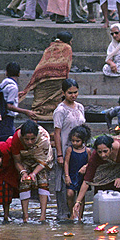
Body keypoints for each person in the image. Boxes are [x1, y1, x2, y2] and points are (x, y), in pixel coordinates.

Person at [71, 134, 120, 219]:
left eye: (105, 151)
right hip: (106, 167)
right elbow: (87, 180)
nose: (103, 155)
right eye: (100, 152)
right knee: (100, 188)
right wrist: (78, 202)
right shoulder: (95, 156)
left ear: (111, 149)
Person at [19, 31, 73, 120]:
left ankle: (34, 118)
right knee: (54, 101)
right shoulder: (67, 48)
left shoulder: (50, 47)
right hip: (58, 78)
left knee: (38, 103)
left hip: (42, 76)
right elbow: (67, 65)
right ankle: (52, 119)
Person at [52, 79, 85, 220]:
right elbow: (57, 133)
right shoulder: (60, 110)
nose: (73, 95)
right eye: (70, 93)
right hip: (65, 149)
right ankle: (63, 213)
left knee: (80, 179)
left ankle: (78, 215)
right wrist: (60, 154)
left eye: (75, 92)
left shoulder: (80, 107)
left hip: (80, 149)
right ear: (63, 93)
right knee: (63, 181)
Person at [11, 120, 54, 222]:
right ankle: (25, 216)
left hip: (40, 163)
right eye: (26, 139)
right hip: (24, 160)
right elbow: (17, 161)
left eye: (32, 139)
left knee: (43, 181)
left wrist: (34, 173)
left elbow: (44, 160)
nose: (29, 142)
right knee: (24, 183)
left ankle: (43, 216)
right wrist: (23, 173)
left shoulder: (44, 139)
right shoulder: (16, 139)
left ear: (37, 136)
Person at [0, 62, 37, 141]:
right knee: (7, 139)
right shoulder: (13, 87)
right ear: (19, 73)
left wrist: (16, 96)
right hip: (7, 118)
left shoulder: (3, 83)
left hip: (2, 115)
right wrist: (26, 111)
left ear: (6, 73)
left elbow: (5, 97)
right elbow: (9, 106)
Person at [64, 125, 91, 219]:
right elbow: (66, 162)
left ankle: (80, 216)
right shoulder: (70, 149)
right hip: (72, 174)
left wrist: (86, 167)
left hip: (82, 177)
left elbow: (90, 163)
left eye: (77, 141)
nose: (75, 143)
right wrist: (67, 175)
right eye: (73, 141)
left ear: (83, 140)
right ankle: (72, 213)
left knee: (81, 197)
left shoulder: (87, 151)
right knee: (70, 194)